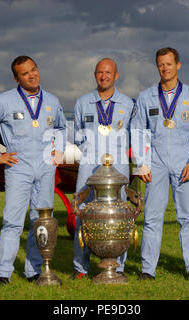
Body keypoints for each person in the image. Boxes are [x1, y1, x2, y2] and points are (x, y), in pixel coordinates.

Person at [0, 56, 66, 284]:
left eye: (34, 69)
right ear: (16, 78)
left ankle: (34, 270)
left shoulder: (52, 101)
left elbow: (62, 127)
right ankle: (3, 272)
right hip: (18, 168)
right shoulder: (4, 101)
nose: (32, 75)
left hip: (45, 169)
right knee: (12, 221)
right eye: (25, 73)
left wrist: (59, 150)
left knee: (41, 221)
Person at [131, 47, 189, 280]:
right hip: (156, 163)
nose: (165, 68)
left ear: (178, 65)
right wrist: (141, 164)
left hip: (184, 162)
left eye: (169, 64)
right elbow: (138, 131)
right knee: (152, 216)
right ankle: (147, 269)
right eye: (161, 64)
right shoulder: (146, 97)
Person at [71, 58, 136, 281]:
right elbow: (77, 135)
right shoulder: (82, 102)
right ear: (95, 75)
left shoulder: (128, 104)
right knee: (83, 212)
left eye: (108, 72)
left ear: (116, 75)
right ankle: (81, 268)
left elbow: (134, 136)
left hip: (117, 165)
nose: (104, 76)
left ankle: (117, 266)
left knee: (120, 215)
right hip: (89, 165)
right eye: (100, 72)